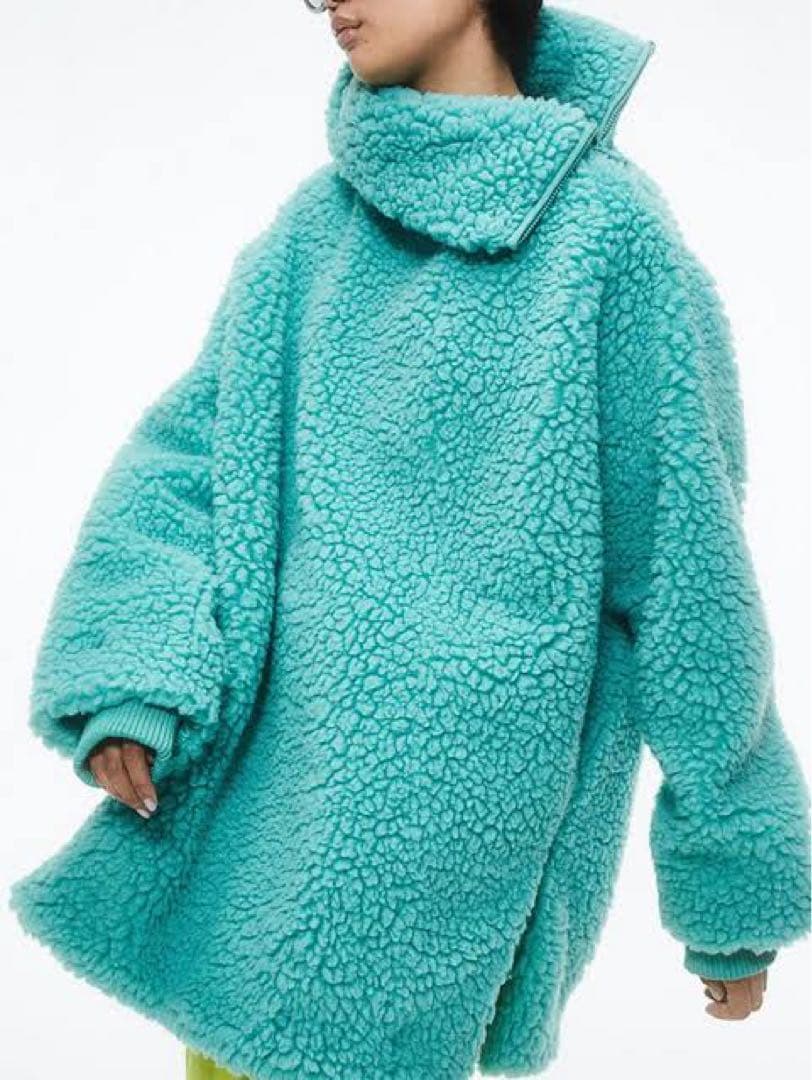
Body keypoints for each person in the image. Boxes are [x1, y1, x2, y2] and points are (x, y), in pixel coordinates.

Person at [9, 2, 810, 1079]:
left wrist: (731, 882)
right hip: (256, 832)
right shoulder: (313, 232)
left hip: (451, 853)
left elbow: (688, 580)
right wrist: (135, 677)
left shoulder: (608, 239)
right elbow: (190, 467)